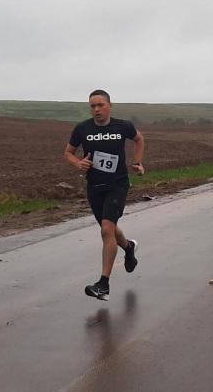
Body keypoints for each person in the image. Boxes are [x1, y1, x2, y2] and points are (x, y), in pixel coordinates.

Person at [64, 89, 145, 301]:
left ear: (110, 105)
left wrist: (137, 162)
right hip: (94, 186)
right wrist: (78, 163)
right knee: (108, 229)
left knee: (106, 230)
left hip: (117, 185)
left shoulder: (122, 126)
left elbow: (139, 139)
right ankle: (129, 248)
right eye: (92, 106)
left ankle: (103, 284)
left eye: (100, 105)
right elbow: (68, 152)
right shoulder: (83, 128)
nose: (96, 109)